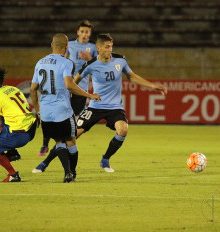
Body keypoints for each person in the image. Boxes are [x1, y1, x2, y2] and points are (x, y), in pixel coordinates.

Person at [35, 33, 168, 173]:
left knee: (123, 129)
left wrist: (153, 86)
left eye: (111, 46)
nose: (110, 50)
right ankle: (45, 163)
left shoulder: (120, 60)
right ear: (98, 48)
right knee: (71, 136)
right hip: (95, 107)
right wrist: (69, 93)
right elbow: (75, 80)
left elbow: (132, 77)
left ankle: (105, 159)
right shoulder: (90, 64)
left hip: (115, 107)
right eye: (107, 47)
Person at [30, 33, 100, 182]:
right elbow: (69, 85)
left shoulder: (40, 62)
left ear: (51, 45)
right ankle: (71, 173)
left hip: (46, 110)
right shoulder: (67, 62)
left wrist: (38, 110)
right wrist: (89, 95)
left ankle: (67, 172)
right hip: (62, 110)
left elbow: (33, 89)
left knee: (59, 141)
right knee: (71, 141)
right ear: (67, 46)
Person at [38, 20, 98, 156]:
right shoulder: (69, 45)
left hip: (80, 89)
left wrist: (90, 59)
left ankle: (65, 143)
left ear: (90, 33)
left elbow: (98, 67)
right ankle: (45, 143)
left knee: (72, 116)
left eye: (87, 32)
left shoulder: (93, 48)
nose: (84, 34)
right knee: (54, 114)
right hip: (65, 87)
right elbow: (60, 60)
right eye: (82, 31)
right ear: (77, 32)